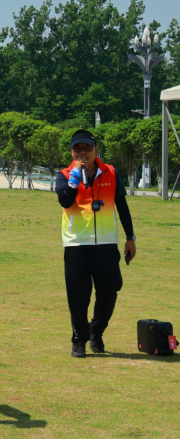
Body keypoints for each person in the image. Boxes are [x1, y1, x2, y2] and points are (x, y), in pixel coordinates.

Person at [55, 129, 136, 358]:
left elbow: (122, 206)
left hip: (107, 243)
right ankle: (79, 340)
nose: (82, 153)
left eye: (87, 149)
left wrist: (130, 237)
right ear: (71, 152)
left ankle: (96, 331)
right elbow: (65, 200)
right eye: (77, 149)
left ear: (95, 150)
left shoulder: (111, 172)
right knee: (78, 297)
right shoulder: (64, 174)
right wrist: (75, 177)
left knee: (110, 292)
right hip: (76, 245)